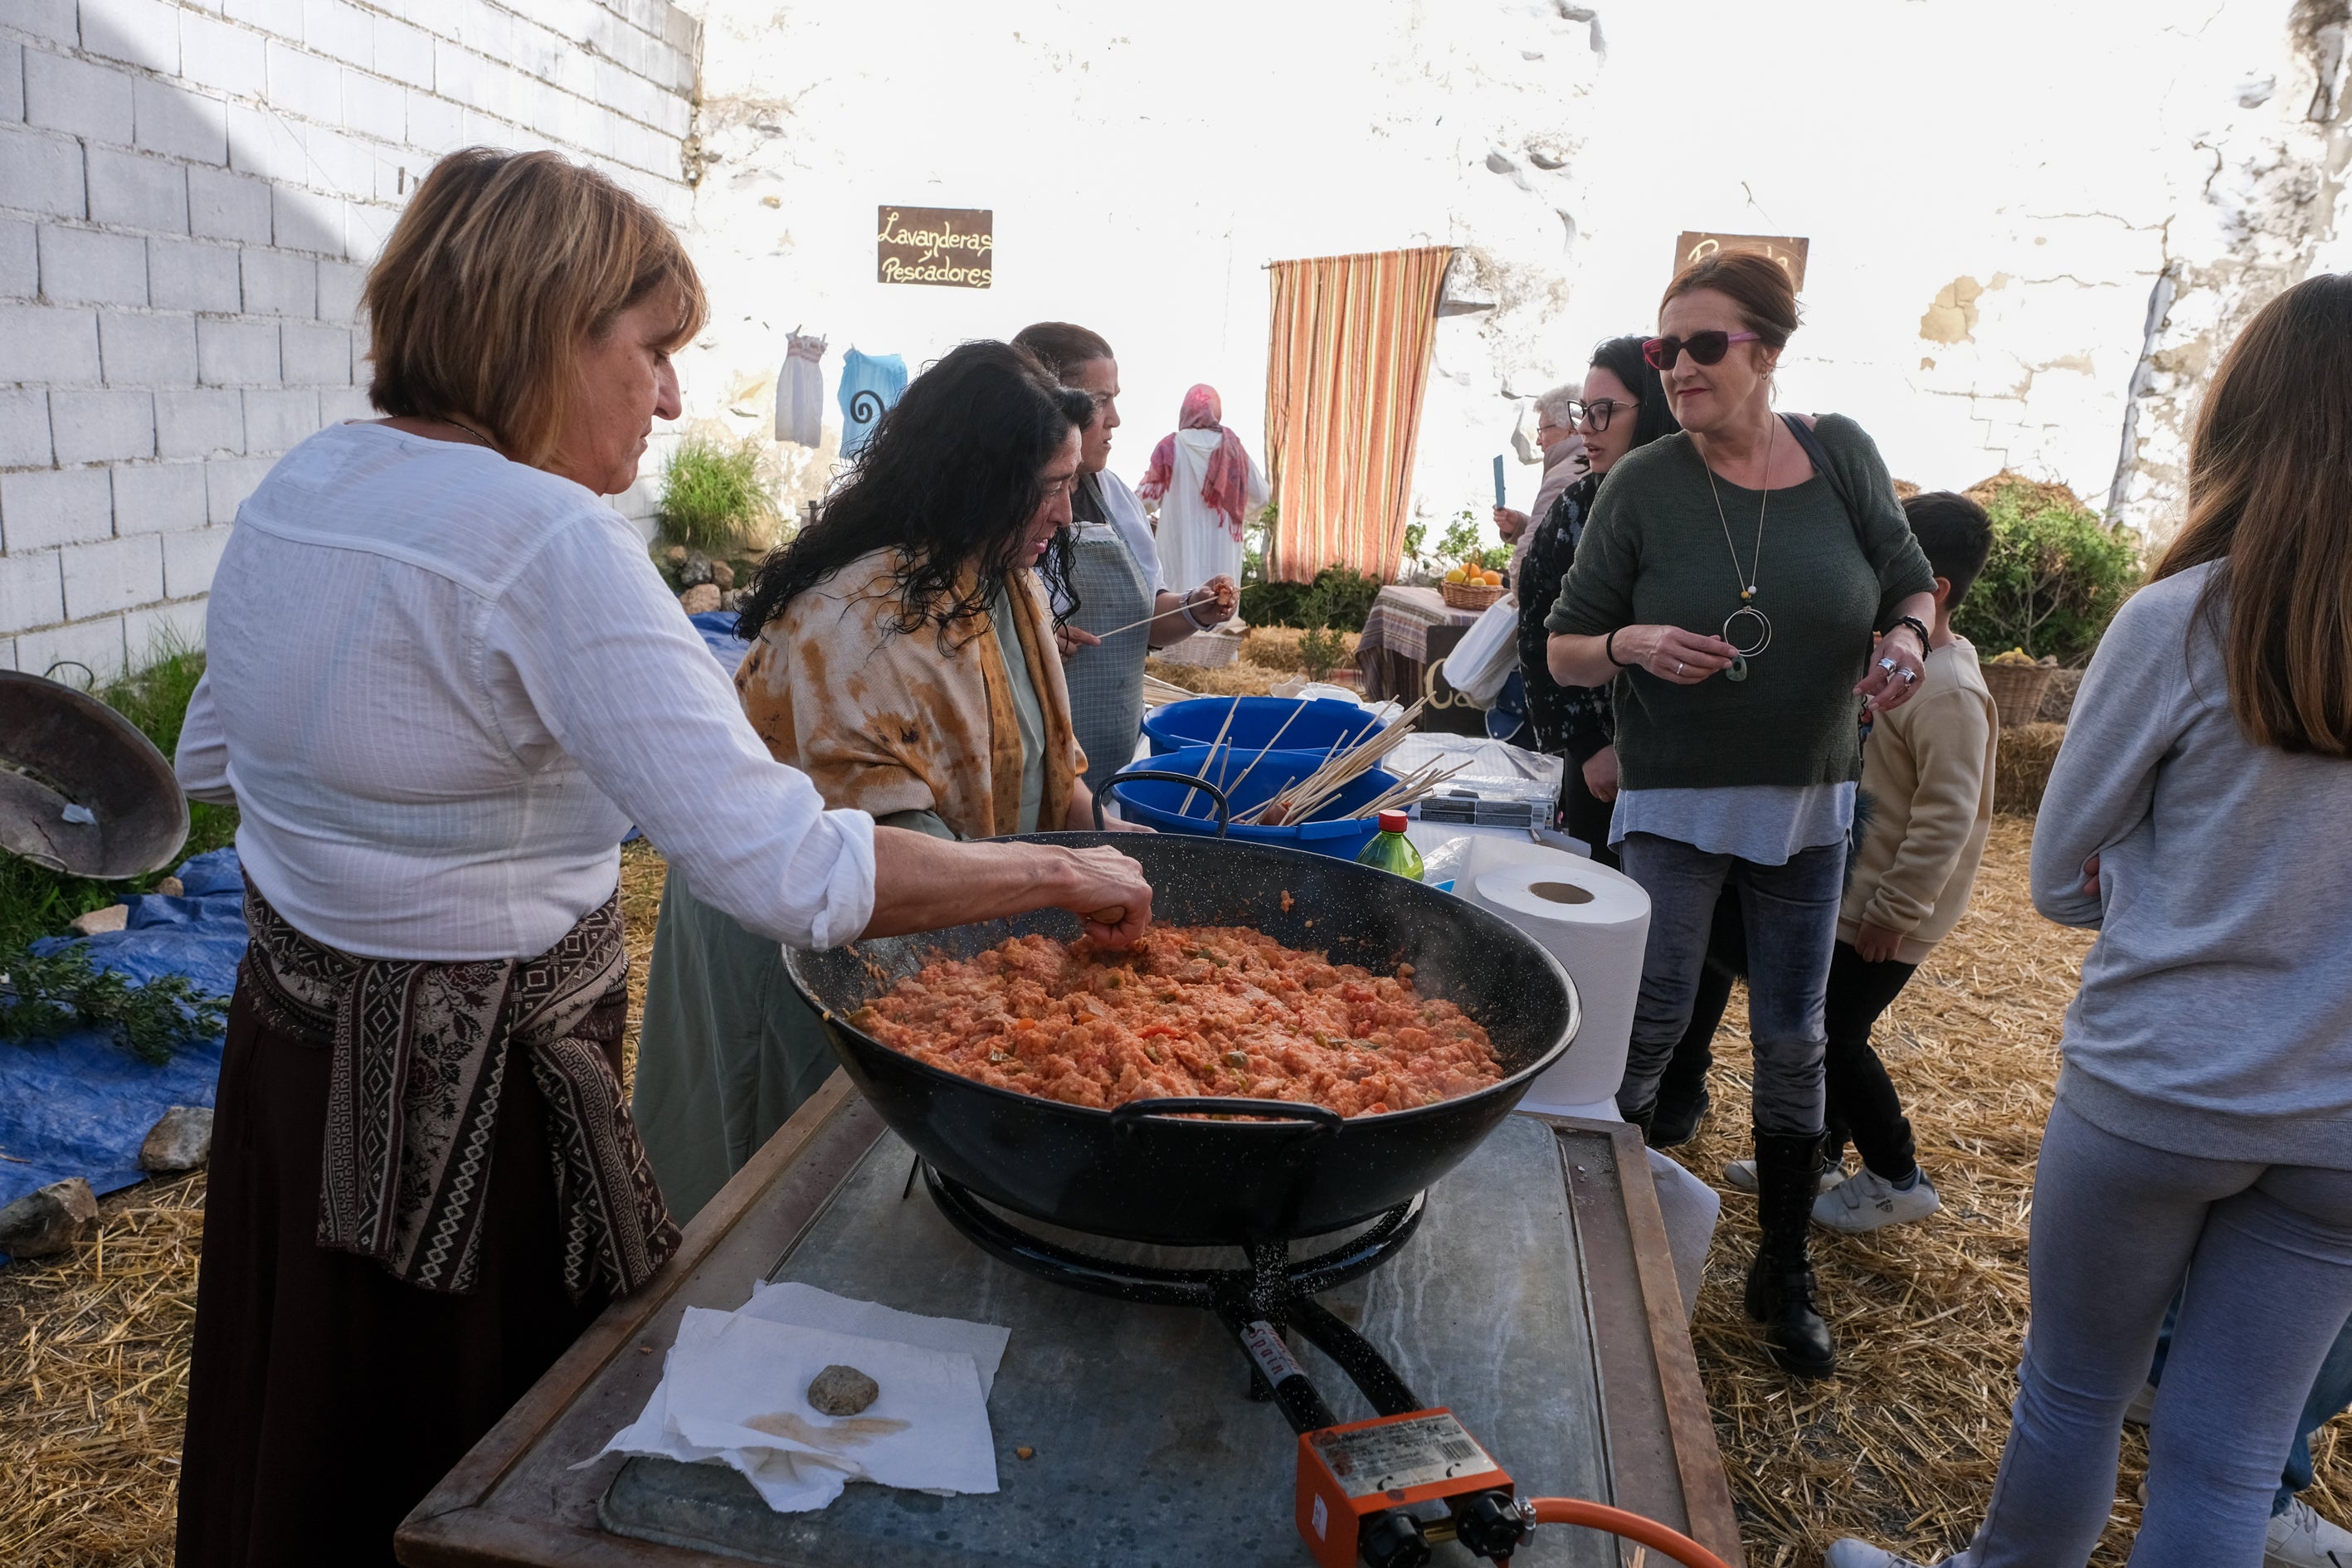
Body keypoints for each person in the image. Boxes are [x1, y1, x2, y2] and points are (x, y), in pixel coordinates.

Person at [169, 149, 1152, 1568]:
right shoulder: (545, 538)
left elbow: (214, 757)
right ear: (545, 329)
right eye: (652, 350)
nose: (674, 396)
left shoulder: (307, 480)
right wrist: (1063, 875)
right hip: (476, 1113)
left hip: (295, 1064)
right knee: (468, 1450)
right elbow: (794, 875)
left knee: (315, 1413)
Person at [1830, 272, 2352, 1568]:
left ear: (2238, 420)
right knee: (2227, 1455)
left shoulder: (2183, 620)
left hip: (2158, 1086)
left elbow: (2055, 872)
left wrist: (2169, 878)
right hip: (2339, 1120)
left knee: (2069, 1390)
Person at [632, 340, 1144, 1221]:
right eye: (1051, 486)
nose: (1066, 510)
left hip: (949, 919)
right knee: (786, 1186)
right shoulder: (852, 622)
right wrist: (1058, 884)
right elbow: (875, 864)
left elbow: (1054, 768)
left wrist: (1099, 842)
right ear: (982, 479)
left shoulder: (1001, 578)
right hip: (808, 950)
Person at [1545, 251, 1937, 1378]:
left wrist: (1902, 638)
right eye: (1666, 348)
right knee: (1653, 1016)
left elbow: (1907, 577)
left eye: (1702, 345)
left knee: (1792, 1037)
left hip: (1810, 803)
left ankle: (1781, 1266)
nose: (1677, 367)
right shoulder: (1644, 483)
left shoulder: (1840, 453)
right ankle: (1595, 1244)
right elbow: (1566, 644)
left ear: (1765, 350)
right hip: (1673, 803)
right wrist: (1630, 643)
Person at [1719, 492, 1998, 1231]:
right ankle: (1819, 1158)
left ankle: (1897, 1174)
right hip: (1852, 895)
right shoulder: (1901, 666)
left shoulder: (1949, 691)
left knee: (1834, 1037)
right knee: (1823, 1027)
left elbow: (1948, 816)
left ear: (1932, 590)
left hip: (1886, 913)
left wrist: (1895, 913)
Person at [1011, 322, 1237, 779]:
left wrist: (1197, 606)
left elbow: (1148, 617)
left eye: (1116, 398)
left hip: (1107, 774)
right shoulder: (999, 511)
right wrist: (1027, 641)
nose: (1115, 418)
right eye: (1100, 401)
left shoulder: (1114, 497)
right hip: (1026, 778)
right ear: (1049, 404)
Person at [1137, 383, 1269, 592]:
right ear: (1217, 411)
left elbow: (1144, 501)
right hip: (1223, 567)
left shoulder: (1171, 447)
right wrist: (1237, 509)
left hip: (1178, 563)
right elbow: (1262, 496)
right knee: (1221, 611)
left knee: (1178, 616)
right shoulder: (1233, 449)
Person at [1493, 384, 1589, 588]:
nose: (1538, 441)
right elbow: (1559, 534)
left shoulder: (1564, 474)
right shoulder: (1581, 464)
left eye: (1543, 430)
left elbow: (1527, 561)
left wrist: (1521, 589)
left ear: (1571, 431)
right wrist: (1519, 524)